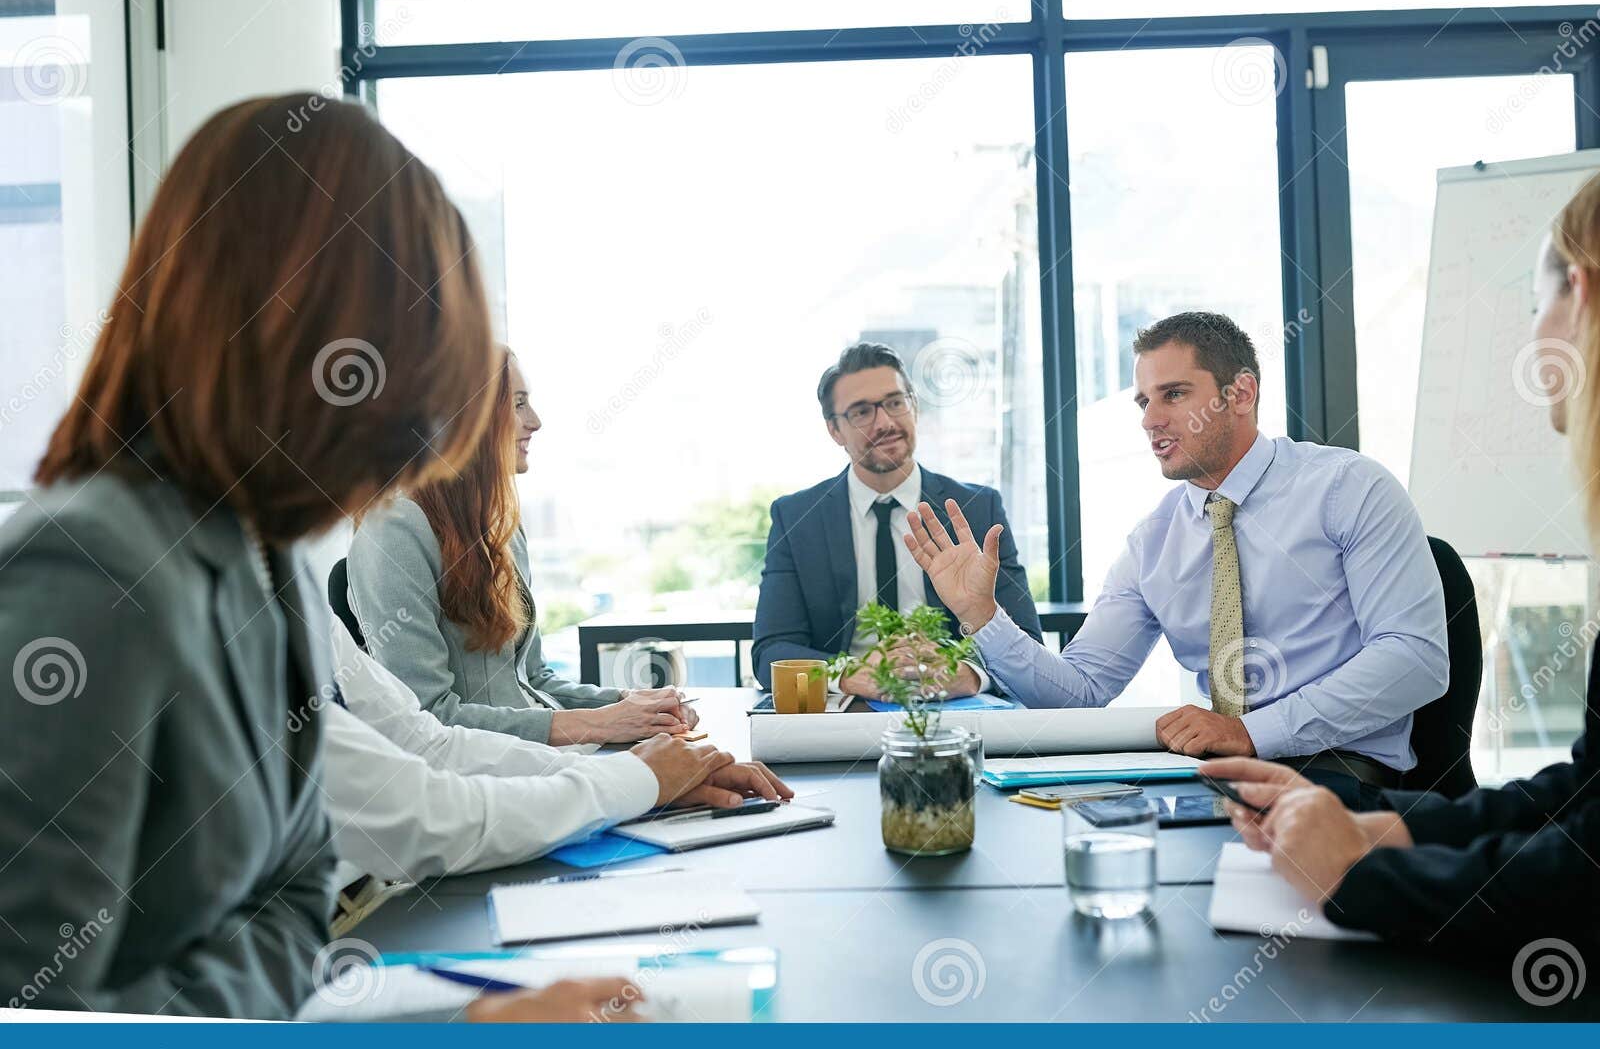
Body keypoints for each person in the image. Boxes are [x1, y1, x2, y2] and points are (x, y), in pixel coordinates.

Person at [0, 94, 507, 1017]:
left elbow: (299, 895)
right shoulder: (90, 574)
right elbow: (38, 1042)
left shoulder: (268, 564)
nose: (395, 474)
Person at [1200, 187, 1600, 950]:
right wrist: (1379, 823)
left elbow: (1585, 877)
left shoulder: (1350, 490)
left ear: (1578, 292)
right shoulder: (1164, 534)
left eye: (1536, 302)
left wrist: (1357, 875)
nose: (1533, 334)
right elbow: (1584, 794)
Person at [904, 311, 1448, 786]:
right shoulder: (1153, 542)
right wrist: (983, 616)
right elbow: (1080, 692)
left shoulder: (1349, 488)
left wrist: (1249, 732)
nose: (1150, 419)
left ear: (1241, 394)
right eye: (1144, 401)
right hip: (1219, 774)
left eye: (1175, 394)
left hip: (1341, 771)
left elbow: (1415, 658)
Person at [347, 349, 693, 745]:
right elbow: (427, 717)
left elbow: (532, 680)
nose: (535, 422)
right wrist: (600, 725)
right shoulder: (393, 531)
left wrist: (630, 704)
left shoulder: (500, 528)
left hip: (537, 760)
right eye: (518, 404)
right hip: (480, 780)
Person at [321, 615, 793, 894]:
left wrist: (653, 780)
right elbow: (423, 821)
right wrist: (634, 779)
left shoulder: (288, 585)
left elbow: (430, 744)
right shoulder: (248, 622)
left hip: (376, 905)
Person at [752, 342, 1042, 698]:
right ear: (835, 431)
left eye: (894, 402)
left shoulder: (978, 508)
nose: (885, 423)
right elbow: (771, 652)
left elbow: (1027, 639)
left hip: (953, 707)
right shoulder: (796, 518)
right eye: (861, 412)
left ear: (914, 407)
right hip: (847, 710)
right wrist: (847, 674)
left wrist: (969, 674)